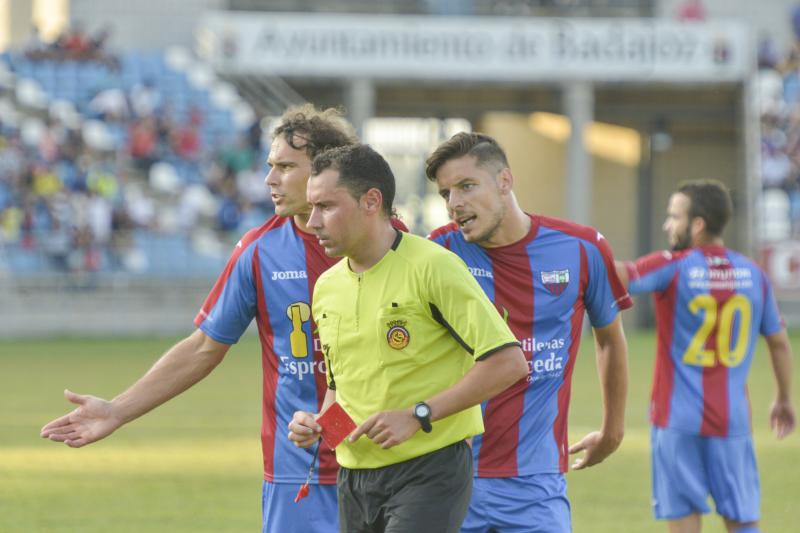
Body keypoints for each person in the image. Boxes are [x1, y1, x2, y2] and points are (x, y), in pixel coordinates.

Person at [40, 104, 382, 533]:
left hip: (387, 467)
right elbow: (204, 346)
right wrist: (117, 410)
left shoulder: (398, 245)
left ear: (327, 170)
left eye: (285, 166)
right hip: (300, 474)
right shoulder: (261, 252)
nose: (269, 179)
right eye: (269, 165)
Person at [288, 144, 529, 533]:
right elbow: (341, 389)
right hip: (354, 479)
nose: (313, 220)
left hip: (430, 470)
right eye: (311, 207)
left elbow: (508, 362)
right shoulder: (327, 287)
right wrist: (318, 426)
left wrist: (419, 415)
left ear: (371, 201)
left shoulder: (433, 266)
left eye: (326, 206)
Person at [425, 132, 632, 533]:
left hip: (535, 480)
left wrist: (612, 430)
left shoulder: (582, 247)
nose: (455, 204)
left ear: (505, 181)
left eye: (467, 186)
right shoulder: (438, 251)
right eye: (446, 193)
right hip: (449, 474)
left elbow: (609, 338)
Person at [615, 180, 796, 533]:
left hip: (676, 420)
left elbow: (617, 276)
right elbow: (779, 342)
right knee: (743, 522)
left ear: (697, 224)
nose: (668, 225)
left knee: (684, 525)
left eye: (674, 216)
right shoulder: (754, 274)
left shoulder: (672, 266)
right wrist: (784, 398)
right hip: (733, 421)